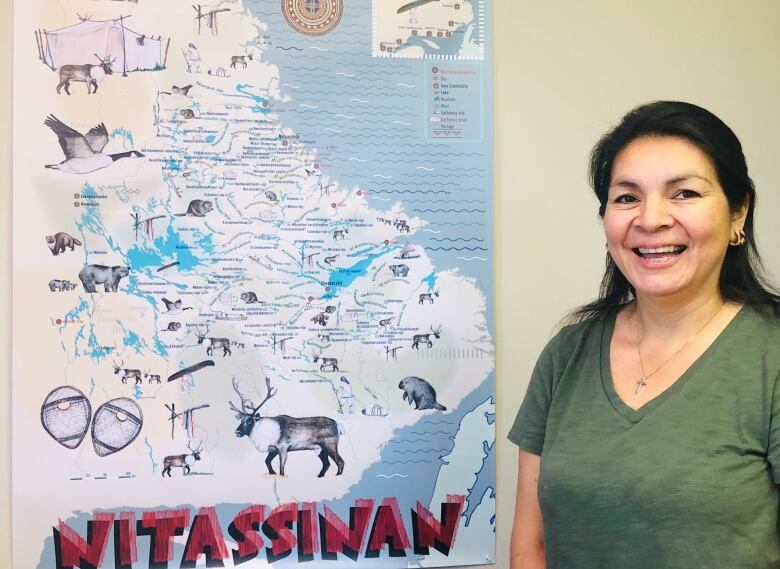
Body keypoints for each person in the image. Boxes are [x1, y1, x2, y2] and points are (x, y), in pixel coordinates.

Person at [508, 101, 780, 569]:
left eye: (685, 194)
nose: (650, 219)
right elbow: (530, 546)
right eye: (627, 197)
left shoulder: (769, 355)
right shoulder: (566, 353)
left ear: (738, 212)